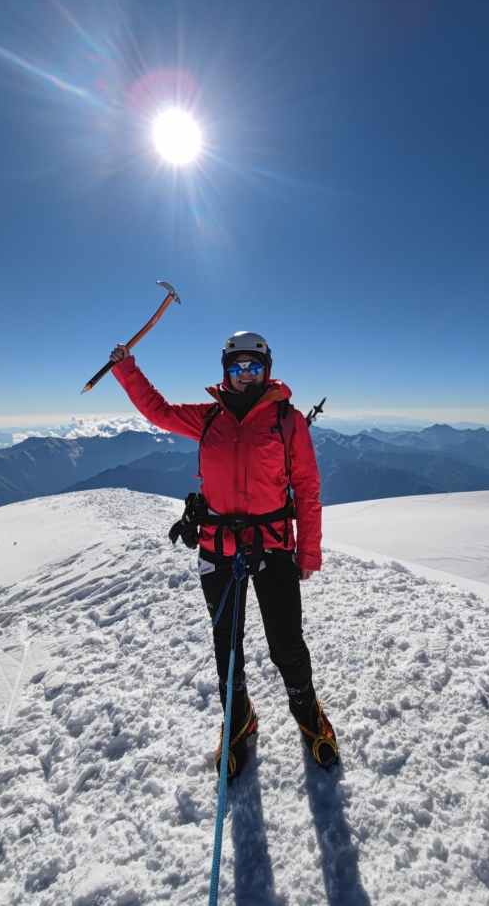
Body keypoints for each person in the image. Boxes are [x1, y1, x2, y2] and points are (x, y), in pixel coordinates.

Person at [110, 331, 338, 778]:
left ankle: (306, 712)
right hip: (217, 548)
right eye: (238, 367)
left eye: (254, 367)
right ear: (225, 371)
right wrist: (126, 369)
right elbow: (158, 412)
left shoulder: (287, 421)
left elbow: (307, 489)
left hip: (272, 545)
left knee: (286, 642)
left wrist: (308, 550)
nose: (246, 375)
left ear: (267, 370)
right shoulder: (208, 418)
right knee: (226, 647)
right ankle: (238, 719)